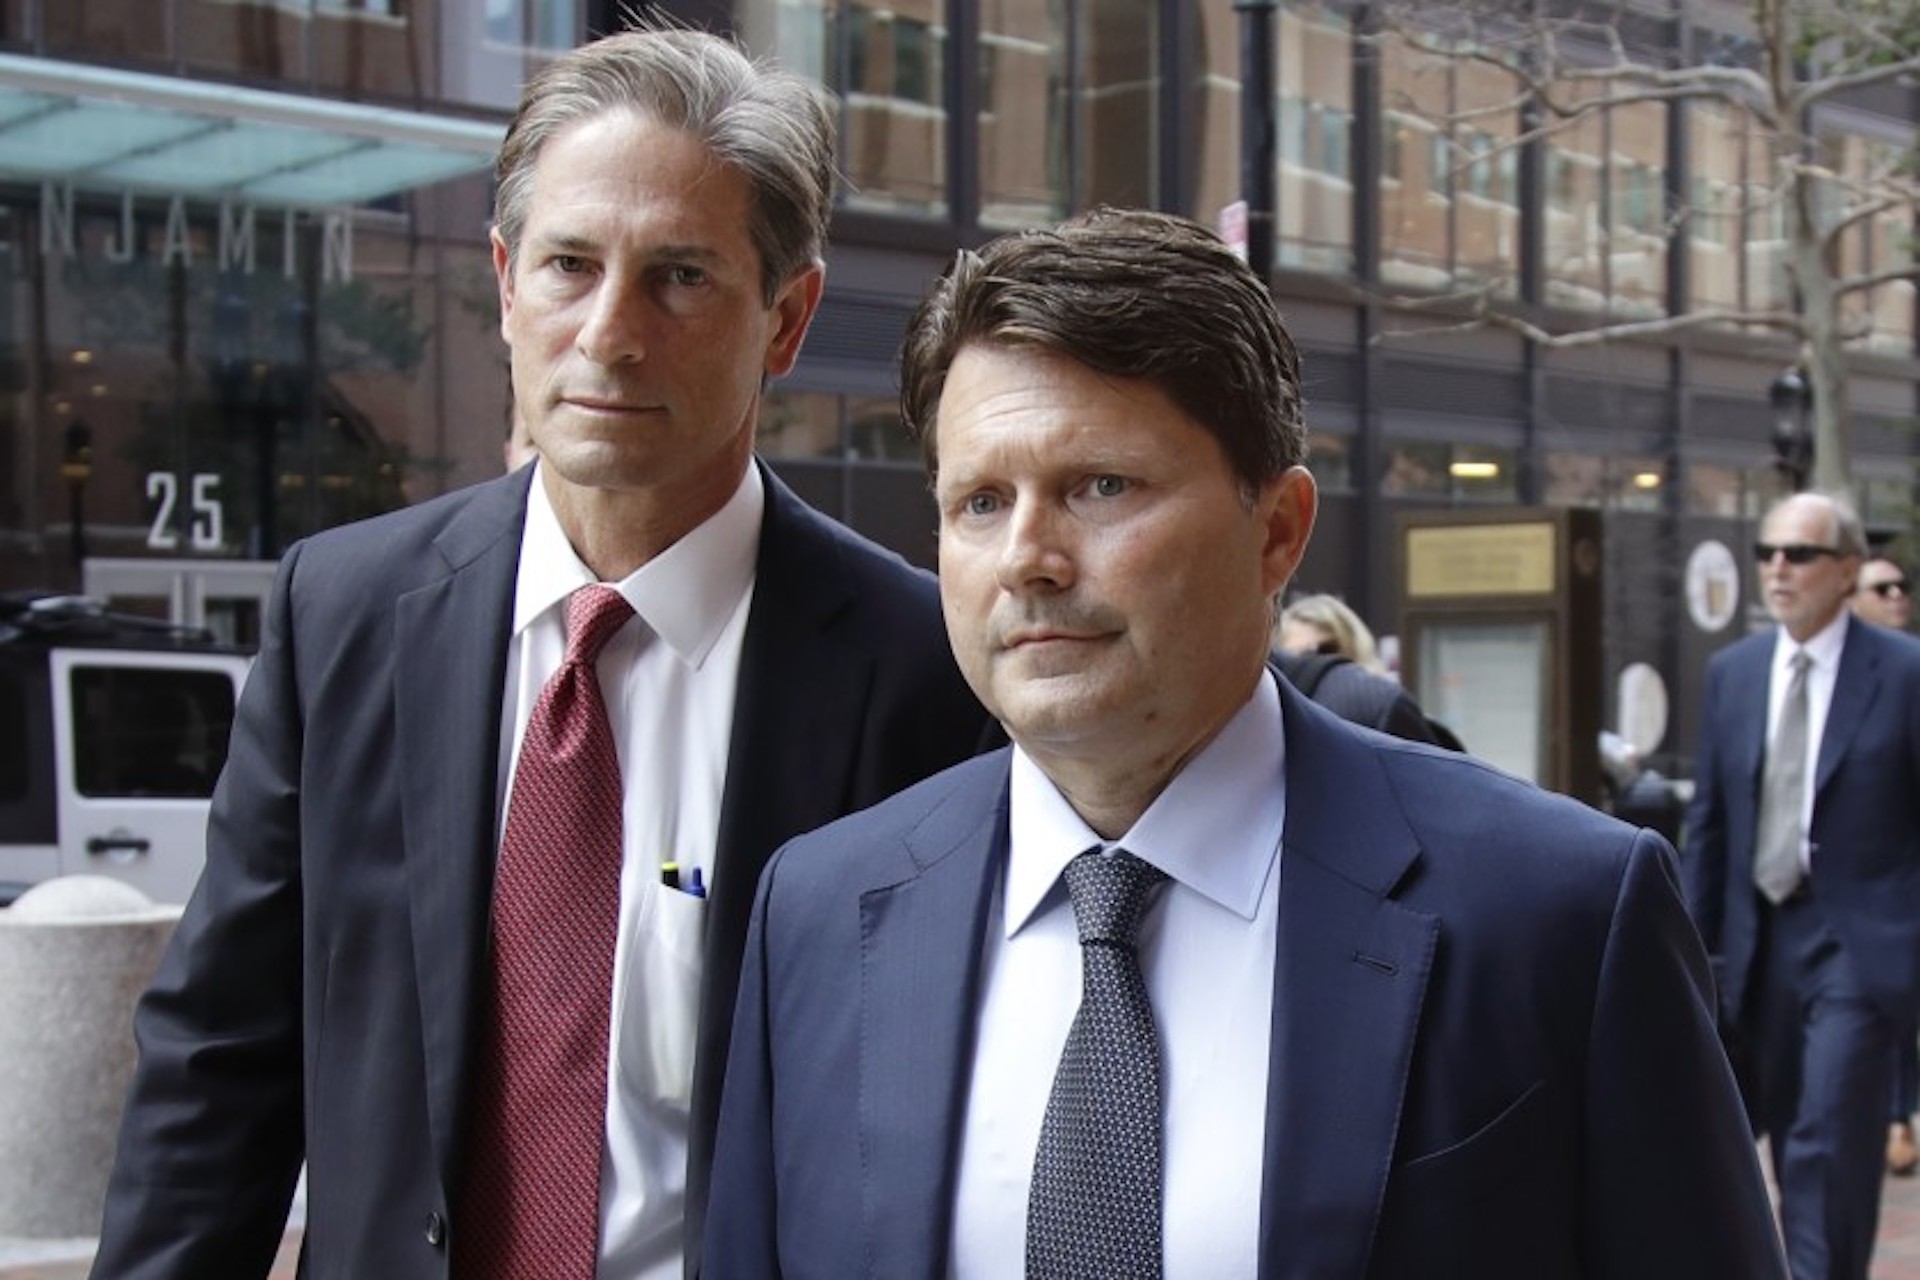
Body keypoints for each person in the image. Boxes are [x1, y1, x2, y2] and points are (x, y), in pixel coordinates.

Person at [704, 208, 1785, 1278]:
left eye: (1100, 485)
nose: (1027, 556)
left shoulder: (1558, 912)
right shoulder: (818, 909)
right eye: (981, 500)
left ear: (1276, 530)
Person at [91, 27, 984, 1280]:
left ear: (787, 318)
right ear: (506, 281)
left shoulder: (921, 670)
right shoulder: (341, 612)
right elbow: (218, 1069)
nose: (611, 333)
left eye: (680, 277)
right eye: (571, 264)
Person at [1684, 493, 1920, 1279]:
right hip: (1754, 943)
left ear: (1848, 569)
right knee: (1763, 1133)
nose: (1777, 569)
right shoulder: (1735, 674)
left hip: (1857, 946)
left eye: (1799, 554)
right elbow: (1712, 825)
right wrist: (1691, 947)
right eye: (1766, 553)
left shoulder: (1903, 673)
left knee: (1824, 1143)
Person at [1850, 555, 1919, 1176]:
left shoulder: (1908, 672)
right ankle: (1895, 1118)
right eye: (1882, 588)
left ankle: (1900, 1116)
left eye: (1902, 587)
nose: (1897, 596)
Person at [1272, 592, 1443, 745]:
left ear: (1356, 647)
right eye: (1300, 656)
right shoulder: (1275, 723)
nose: (1315, 662)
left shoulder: (1385, 707)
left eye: (1327, 650)